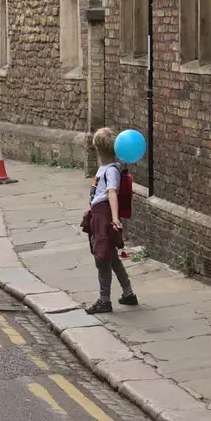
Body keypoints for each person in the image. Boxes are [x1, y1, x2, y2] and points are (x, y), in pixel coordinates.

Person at [83, 127, 138, 315]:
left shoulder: (111, 171)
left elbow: (111, 193)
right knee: (112, 258)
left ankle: (104, 300)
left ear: (98, 150)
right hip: (99, 215)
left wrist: (114, 219)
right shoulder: (106, 168)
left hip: (104, 217)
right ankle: (128, 293)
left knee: (102, 259)